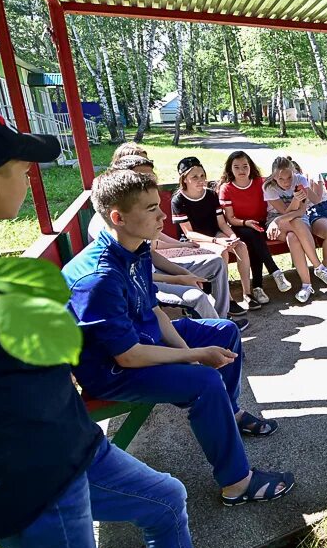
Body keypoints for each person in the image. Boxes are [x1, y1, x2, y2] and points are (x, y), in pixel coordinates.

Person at [0, 102, 197, 548]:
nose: (31, 177)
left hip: (67, 443)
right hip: (30, 482)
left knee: (166, 501)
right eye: (23, 168)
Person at [62, 168, 296, 509]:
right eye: (150, 209)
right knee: (204, 381)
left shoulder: (135, 248)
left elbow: (154, 311)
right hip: (113, 371)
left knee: (225, 331)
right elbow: (127, 356)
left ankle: (226, 415)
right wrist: (195, 358)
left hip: (143, 341)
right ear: (118, 217)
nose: (162, 215)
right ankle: (237, 483)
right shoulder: (98, 277)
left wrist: (191, 352)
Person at [93, 155, 236, 322]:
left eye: (151, 177)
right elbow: (140, 277)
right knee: (197, 298)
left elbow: (150, 256)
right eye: (142, 178)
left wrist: (184, 273)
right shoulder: (111, 233)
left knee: (217, 262)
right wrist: (180, 278)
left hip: (155, 273)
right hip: (149, 283)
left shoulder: (136, 229)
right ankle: (215, 329)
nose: (162, 215)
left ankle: (222, 318)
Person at [171, 156, 258, 312]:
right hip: (194, 240)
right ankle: (227, 299)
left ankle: (247, 294)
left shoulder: (210, 195)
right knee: (222, 252)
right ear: (184, 180)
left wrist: (232, 237)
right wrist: (217, 242)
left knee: (241, 246)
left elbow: (222, 223)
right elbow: (189, 233)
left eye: (203, 176)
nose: (200, 180)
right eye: (195, 177)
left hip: (214, 234)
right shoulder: (178, 200)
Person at [263, 156, 327, 303]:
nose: (286, 182)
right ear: (274, 176)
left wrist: (283, 217)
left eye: (289, 178)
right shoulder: (269, 187)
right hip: (275, 222)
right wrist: (293, 202)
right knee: (295, 223)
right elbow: (284, 212)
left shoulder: (300, 180)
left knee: (294, 236)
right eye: (281, 179)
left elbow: (301, 211)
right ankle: (318, 267)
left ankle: (307, 286)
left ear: (294, 173)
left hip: (294, 220)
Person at [218, 150, 292, 301]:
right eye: (237, 167)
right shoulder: (227, 188)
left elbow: (284, 177)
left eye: (245, 166)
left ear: (250, 166)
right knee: (252, 235)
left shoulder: (260, 182)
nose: (242, 170)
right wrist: (246, 223)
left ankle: (258, 288)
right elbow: (230, 219)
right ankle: (275, 272)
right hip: (240, 226)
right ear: (230, 169)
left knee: (255, 238)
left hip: (263, 224)